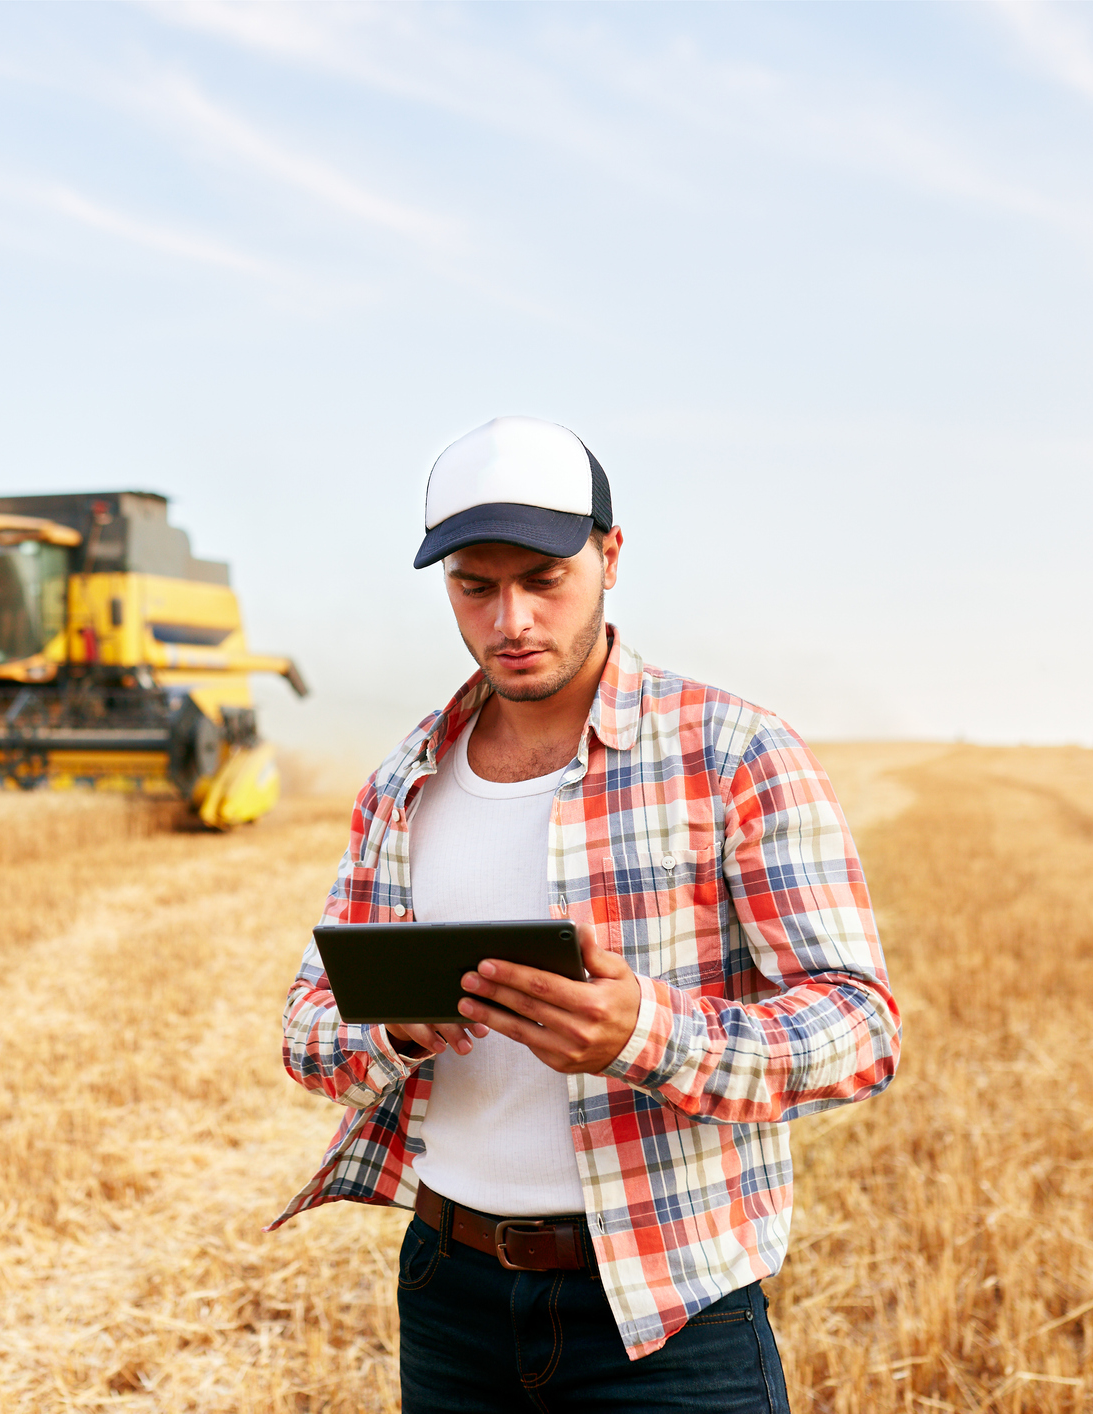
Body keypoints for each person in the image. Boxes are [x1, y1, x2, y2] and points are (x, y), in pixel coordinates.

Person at [271, 416, 900, 1412]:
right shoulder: (405, 778)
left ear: (610, 557)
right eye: (476, 585)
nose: (510, 618)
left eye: (543, 578)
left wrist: (646, 1034)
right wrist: (392, 1027)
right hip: (449, 1289)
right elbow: (308, 1031)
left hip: (669, 1310)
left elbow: (861, 1029)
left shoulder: (734, 751)